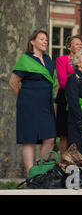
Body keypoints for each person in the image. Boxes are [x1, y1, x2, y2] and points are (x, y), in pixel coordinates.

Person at [10, 30, 57, 176]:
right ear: (32, 42)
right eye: (42, 39)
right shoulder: (25, 59)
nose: (45, 42)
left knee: (49, 138)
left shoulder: (48, 59)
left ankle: (40, 171)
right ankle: (32, 175)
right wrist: (24, 100)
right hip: (29, 104)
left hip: (46, 104)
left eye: (46, 40)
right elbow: (13, 83)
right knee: (28, 139)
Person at [55, 35, 82, 156]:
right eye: (76, 44)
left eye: (81, 44)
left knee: (77, 132)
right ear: (69, 47)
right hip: (65, 98)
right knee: (64, 133)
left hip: (80, 99)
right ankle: (63, 163)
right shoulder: (62, 59)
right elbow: (62, 81)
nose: (80, 46)